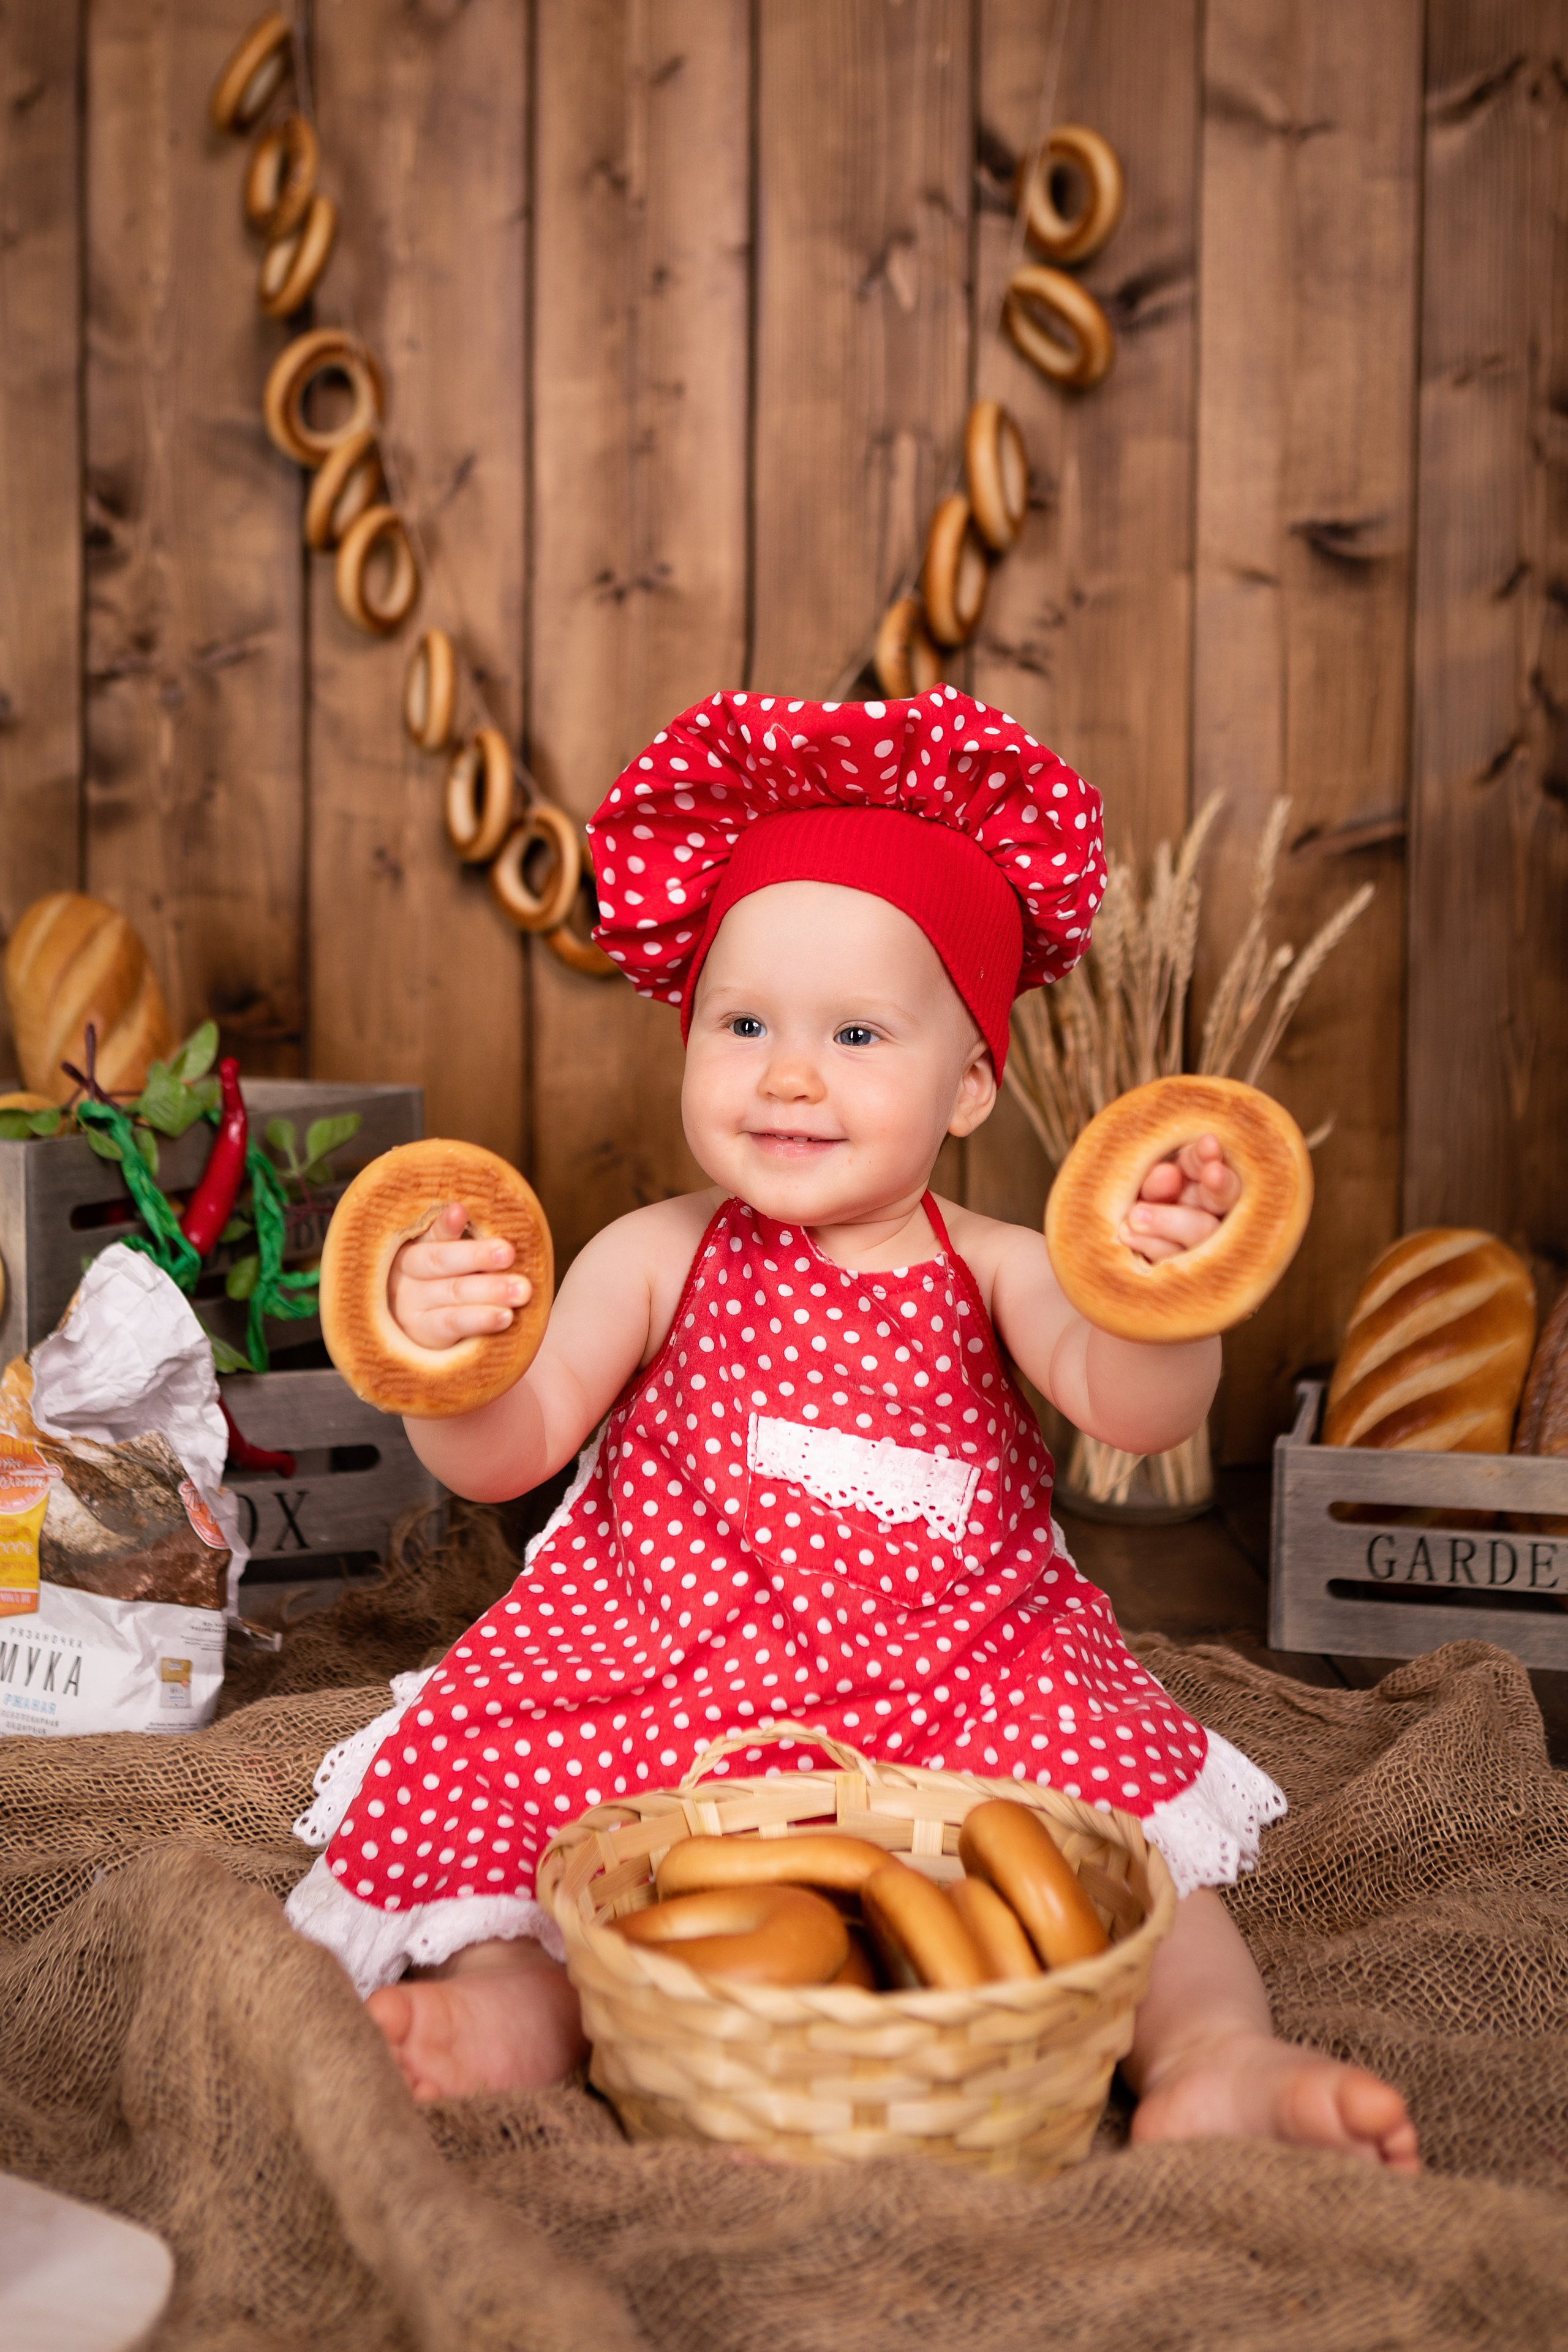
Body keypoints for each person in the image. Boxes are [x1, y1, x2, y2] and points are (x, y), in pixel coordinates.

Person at [287, 687, 1417, 2172]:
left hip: (964, 1665)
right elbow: (510, 1453)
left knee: (1125, 1849)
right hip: (672, 1655)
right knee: (528, 1814)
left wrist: (1158, 1294)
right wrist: (448, 1364)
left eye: (856, 1033)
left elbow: (1136, 1407)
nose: (788, 1073)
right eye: (741, 1022)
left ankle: (1206, 2054)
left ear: (967, 1084)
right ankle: (513, 2015)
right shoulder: (655, 1249)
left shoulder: (1004, 1262)